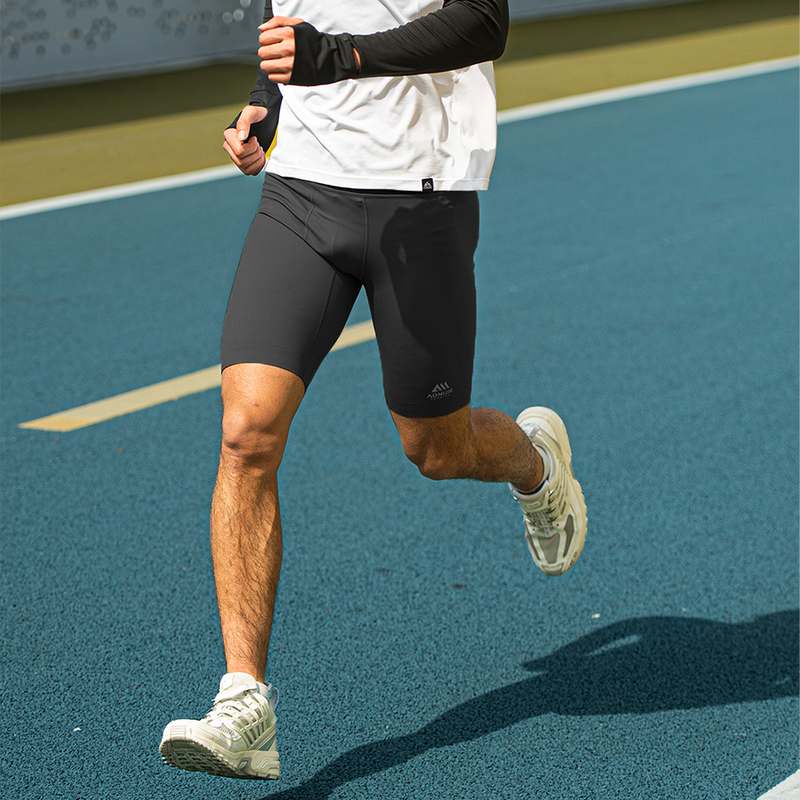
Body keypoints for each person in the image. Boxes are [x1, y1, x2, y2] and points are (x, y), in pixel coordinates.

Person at [159, 0, 587, 781]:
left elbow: (484, 22)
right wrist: (268, 96)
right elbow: (292, 17)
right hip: (299, 195)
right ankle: (243, 699)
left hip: (420, 198)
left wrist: (344, 58)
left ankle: (537, 468)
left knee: (436, 448)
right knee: (247, 430)